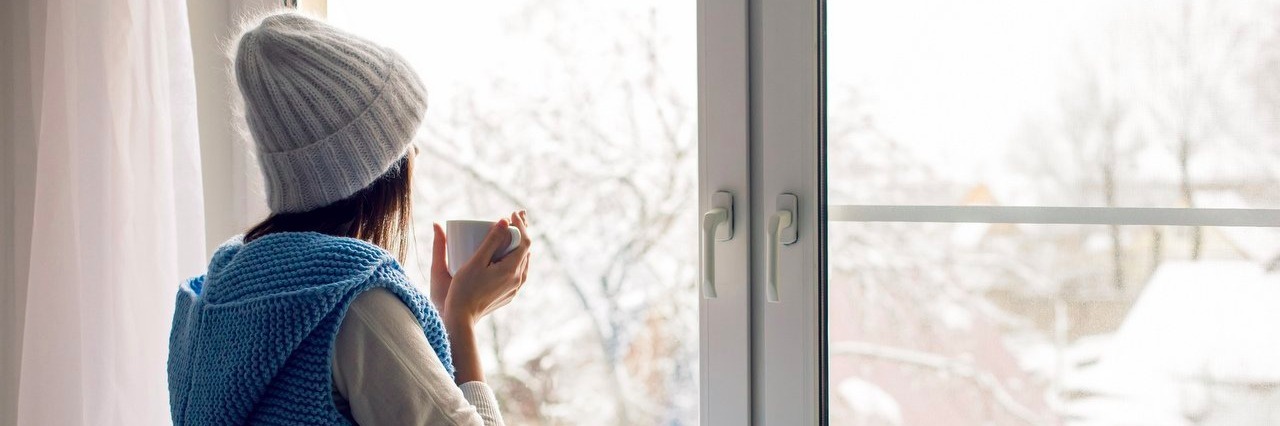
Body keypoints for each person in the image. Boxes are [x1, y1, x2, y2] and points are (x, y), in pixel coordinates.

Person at [167, 12, 528, 426]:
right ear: (372, 170)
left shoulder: (219, 297)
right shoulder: (351, 303)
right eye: (405, 143)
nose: (416, 156)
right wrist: (461, 321)